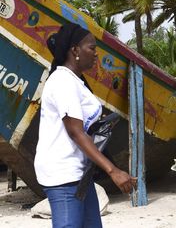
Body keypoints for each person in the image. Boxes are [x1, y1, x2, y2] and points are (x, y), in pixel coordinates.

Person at [34, 23, 136, 228]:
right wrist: (112, 170)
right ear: (74, 50)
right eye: (92, 48)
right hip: (63, 174)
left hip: (80, 173)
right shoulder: (62, 81)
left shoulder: (75, 81)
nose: (96, 54)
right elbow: (75, 132)